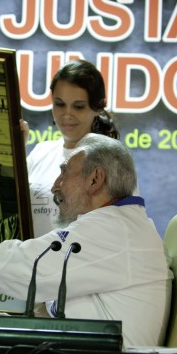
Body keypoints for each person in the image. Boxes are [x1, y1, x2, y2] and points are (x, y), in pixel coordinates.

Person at [0, 134, 172, 347]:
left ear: (95, 179)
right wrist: (21, 329)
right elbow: (87, 314)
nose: (55, 185)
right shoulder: (119, 227)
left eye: (65, 172)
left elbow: (21, 263)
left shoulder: (114, 229)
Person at [22, 59, 120, 237]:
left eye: (78, 107)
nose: (67, 114)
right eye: (60, 104)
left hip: (82, 263)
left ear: (98, 107)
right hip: (32, 262)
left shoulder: (115, 162)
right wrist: (14, 155)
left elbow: (120, 233)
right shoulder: (40, 152)